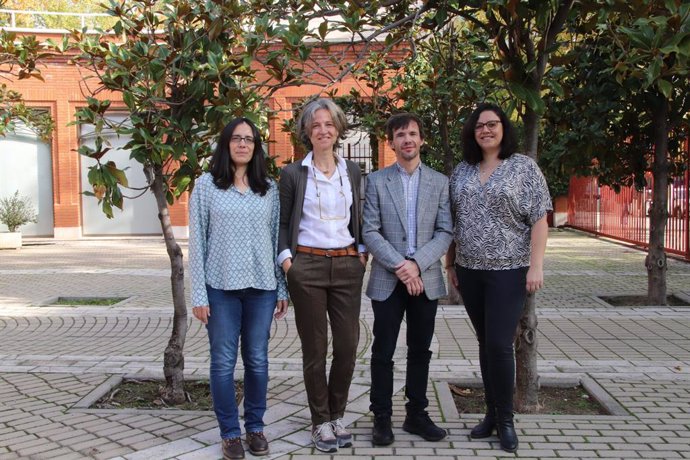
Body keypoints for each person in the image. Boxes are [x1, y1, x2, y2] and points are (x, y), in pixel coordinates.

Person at [445, 102, 551, 453]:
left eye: (492, 124)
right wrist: (450, 265)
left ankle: (506, 421)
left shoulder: (523, 168)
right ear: (472, 132)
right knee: (484, 344)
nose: (486, 130)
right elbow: (454, 221)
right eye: (479, 126)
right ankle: (491, 415)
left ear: (504, 128)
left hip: (509, 271)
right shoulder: (462, 171)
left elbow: (539, 219)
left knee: (500, 345)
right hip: (470, 270)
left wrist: (536, 266)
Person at [189, 118, 288, 460]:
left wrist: (282, 288)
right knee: (222, 363)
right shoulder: (206, 186)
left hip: (262, 287)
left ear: (256, 146)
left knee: (258, 361)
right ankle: (230, 434)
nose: (243, 144)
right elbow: (197, 243)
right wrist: (198, 295)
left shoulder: (269, 189)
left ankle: (256, 428)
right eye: (236, 138)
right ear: (226, 143)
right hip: (220, 288)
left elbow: (277, 239)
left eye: (249, 139)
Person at [278, 98, 367, 453]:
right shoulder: (293, 174)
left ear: (338, 129)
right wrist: (288, 263)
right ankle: (320, 421)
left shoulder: (354, 172)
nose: (323, 130)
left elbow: (360, 216)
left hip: (347, 266)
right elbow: (283, 222)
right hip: (308, 268)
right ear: (306, 132)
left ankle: (337, 413)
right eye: (316, 125)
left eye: (329, 124)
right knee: (315, 349)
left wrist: (362, 254)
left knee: (347, 345)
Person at [362, 112, 453, 446]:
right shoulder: (375, 181)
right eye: (400, 135)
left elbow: (446, 231)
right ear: (391, 142)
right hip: (388, 280)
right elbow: (369, 230)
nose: (407, 140)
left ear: (422, 139)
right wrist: (401, 265)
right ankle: (382, 417)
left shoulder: (440, 182)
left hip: (425, 278)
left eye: (413, 134)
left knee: (420, 350)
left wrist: (416, 264)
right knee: (382, 351)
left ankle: (416, 414)